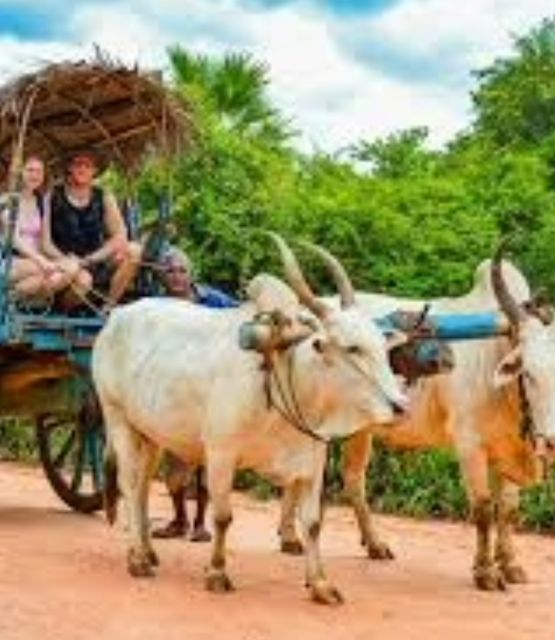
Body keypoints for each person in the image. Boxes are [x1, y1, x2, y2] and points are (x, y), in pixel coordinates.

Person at [151, 246, 238, 541]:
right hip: (176, 390)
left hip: (212, 387)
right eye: (171, 272)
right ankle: (179, 519)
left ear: (191, 274)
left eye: (182, 271)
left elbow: (239, 316)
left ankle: (201, 523)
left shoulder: (213, 300)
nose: (177, 277)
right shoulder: (157, 307)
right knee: (175, 454)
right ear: (163, 277)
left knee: (207, 459)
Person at [42, 149, 141, 310]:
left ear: (94, 171)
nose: (82, 169)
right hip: (64, 261)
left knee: (134, 250)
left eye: (88, 165)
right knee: (84, 282)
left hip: (96, 260)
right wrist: (69, 261)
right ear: (70, 168)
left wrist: (92, 259)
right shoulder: (53, 195)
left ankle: (109, 307)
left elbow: (120, 235)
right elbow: (45, 244)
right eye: (78, 164)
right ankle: (64, 311)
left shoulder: (103, 196)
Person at [0, 156, 82, 301]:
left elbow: (46, 243)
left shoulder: (42, 203)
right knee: (41, 270)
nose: (34, 175)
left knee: (72, 267)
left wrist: (63, 258)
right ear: (21, 173)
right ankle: (11, 302)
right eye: (30, 170)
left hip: (37, 263)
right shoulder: (7, 200)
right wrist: (41, 260)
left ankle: (17, 300)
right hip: (10, 259)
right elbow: (14, 239)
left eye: (39, 171)